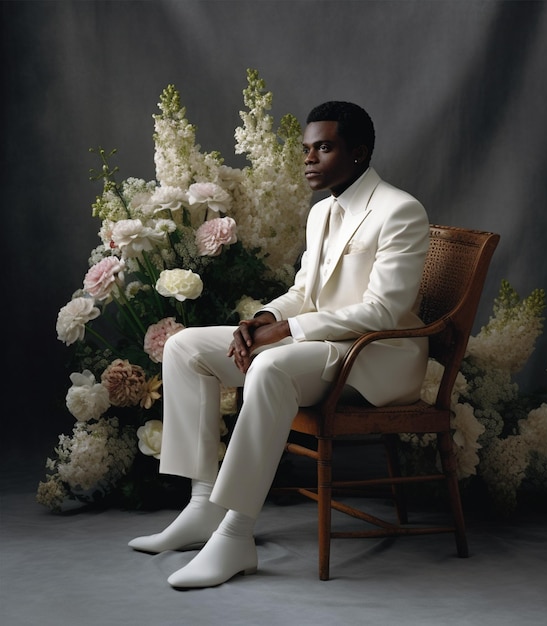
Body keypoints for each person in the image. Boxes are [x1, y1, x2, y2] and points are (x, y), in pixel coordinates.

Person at [129, 101, 430, 588]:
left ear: (360, 153)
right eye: (307, 149)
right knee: (185, 348)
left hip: (373, 356)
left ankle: (236, 534)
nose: (310, 159)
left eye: (324, 148)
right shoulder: (321, 213)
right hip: (321, 350)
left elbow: (382, 312)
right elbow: (304, 293)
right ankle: (202, 505)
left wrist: (287, 331)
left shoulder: (400, 210)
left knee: (270, 369)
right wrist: (265, 318)